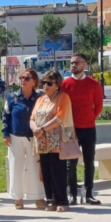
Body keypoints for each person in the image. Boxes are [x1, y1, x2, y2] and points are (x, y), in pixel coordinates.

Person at [61, 53, 104, 205]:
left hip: (88, 128)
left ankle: (89, 193)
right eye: (72, 63)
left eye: (77, 63)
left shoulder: (94, 84)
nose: (74, 65)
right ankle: (72, 193)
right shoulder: (65, 84)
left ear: (85, 64)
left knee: (89, 162)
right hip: (70, 129)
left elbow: (98, 105)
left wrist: (90, 118)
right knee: (70, 163)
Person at [30, 69, 74, 212]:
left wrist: (41, 129)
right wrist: (35, 129)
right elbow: (32, 118)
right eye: (44, 83)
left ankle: (62, 200)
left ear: (57, 84)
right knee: (46, 171)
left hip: (57, 142)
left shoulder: (63, 97)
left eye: (49, 83)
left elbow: (60, 118)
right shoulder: (40, 100)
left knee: (58, 171)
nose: (45, 86)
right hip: (42, 141)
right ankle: (50, 200)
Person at [1, 68, 46, 210]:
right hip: (15, 137)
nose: (23, 81)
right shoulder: (12, 97)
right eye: (21, 78)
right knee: (16, 167)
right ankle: (18, 198)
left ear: (34, 81)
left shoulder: (40, 98)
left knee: (35, 167)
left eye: (27, 78)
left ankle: (38, 196)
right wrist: (5, 133)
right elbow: (5, 116)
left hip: (34, 137)